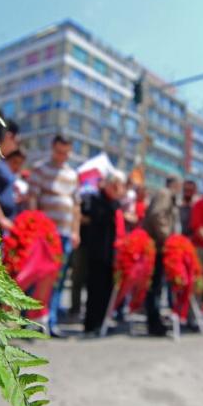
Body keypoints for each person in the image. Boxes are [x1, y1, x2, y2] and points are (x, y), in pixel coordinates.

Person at [28, 135, 81, 338]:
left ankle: (51, 321)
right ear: (52, 148)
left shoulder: (72, 174)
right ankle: (30, 320)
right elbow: (33, 198)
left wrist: (76, 232)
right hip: (44, 234)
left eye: (66, 153)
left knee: (57, 279)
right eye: (59, 152)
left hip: (65, 234)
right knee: (38, 277)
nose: (62, 156)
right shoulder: (40, 169)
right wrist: (34, 226)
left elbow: (76, 206)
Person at [83, 171, 126, 335]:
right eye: (114, 185)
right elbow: (98, 216)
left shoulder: (116, 202)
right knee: (95, 288)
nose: (116, 189)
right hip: (98, 251)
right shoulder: (96, 198)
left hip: (111, 253)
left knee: (107, 289)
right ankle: (91, 323)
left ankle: (102, 322)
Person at [142, 176, 181, 336]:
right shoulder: (165, 194)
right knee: (155, 285)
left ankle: (155, 320)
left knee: (157, 285)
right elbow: (157, 215)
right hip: (158, 246)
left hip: (159, 245)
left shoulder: (166, 195)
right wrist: (167, 238)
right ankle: (154, 323)